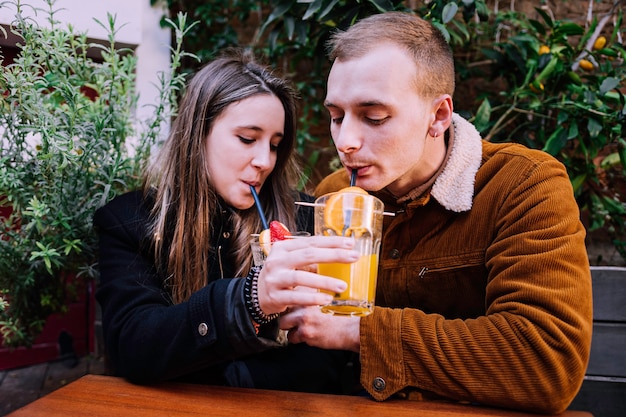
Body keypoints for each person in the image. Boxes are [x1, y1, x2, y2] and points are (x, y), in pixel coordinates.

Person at [280, 12, 593, 414]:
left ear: (439, 116)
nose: (346, 141)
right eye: (336, 116)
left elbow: (547, 362)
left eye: (374, 117)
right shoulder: (335, 196)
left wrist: (360, 330)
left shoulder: (522, 186)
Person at [94, 48, 358, 392]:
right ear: (198, 134)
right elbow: (135, 345)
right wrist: (248, 300)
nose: (265, 160)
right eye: (247, 139)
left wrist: (234, 380)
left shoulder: (304, 217)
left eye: (275, 145)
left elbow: (326, 358)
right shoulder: (131, 221)